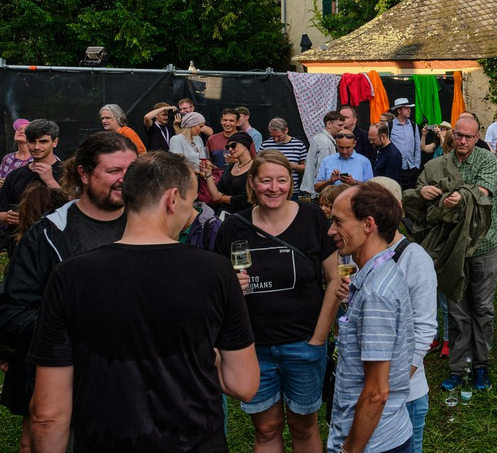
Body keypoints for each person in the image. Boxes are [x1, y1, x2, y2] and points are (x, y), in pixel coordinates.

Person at [28, 151, 259, 452]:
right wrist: (206, 351)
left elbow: (47, 414)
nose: (189, 215)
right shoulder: (216, 272)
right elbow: (244, 384)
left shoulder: (69, 275)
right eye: (190, 205)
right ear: (172, 199)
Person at [0, 131, 137, 452]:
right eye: (114, 171)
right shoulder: (48, 235)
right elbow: (9, 313)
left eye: (130, 172)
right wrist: (75, 322)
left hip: (136, 385)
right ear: (85, 174)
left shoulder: (148, 226)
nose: (124, 181)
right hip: (68, 385)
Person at [215, 150, 339, 453]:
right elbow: (215, 291)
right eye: (266, 180)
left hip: (303, 343)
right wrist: (232, 286)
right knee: (266, 428)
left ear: (291, 183)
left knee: (304, 426)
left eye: (282, 180)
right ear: (252, 184)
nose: (274, 188)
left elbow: (335, 279)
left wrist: (319, 338)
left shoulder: (311, 218)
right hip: (253, 347)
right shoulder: (233, 227)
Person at [336, 177, 438, 453]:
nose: (332, 230)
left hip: (401, 395)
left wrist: (391, 386)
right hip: (368, 391)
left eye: (339, 221)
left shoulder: (413, 258)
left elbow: (425, 329)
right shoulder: (354, 253)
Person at [327, 183, 415, 453]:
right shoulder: (378, 273)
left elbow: (377, 392)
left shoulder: (377, 293)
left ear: (368, 224)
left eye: (338, 221)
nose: (331, 231)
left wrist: (348, 450)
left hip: (373, 443)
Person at [419, 116, 497, 392]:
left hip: (482, 245)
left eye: (469, 136)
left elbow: (483, 190)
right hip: (451, 246)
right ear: (453, 135)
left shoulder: (487, 159)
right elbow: (422, 186)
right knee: (456, 309)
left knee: (482, 308)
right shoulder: (441, 162)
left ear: (477, 138)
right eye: (459, 135)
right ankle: (459, 366)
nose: (463, 141)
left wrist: (459, 195)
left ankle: (481, 365)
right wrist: (424, 190)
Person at [0, 119, 64, 230]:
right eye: (32, 141)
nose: (36, 147)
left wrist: (50, 181)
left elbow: (74, 211)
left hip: (56, 240)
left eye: (43, 141)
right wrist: (8, 217)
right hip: (21, 241)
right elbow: (2, 211)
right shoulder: (15, 175)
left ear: (55, 142)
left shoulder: (67, 173)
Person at [202, 131, 255, 214]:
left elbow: (247, 198)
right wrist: (208, 173)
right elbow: (215, 196)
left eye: (233, 145)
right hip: (226, 214)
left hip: (246, 216)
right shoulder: (230, 167)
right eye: (228, 147)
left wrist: (223, 198)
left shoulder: (255, 168)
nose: (230, 149)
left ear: (245, 146)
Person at [301, 111, 346, 199]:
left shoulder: (319, 138)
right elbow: (323, 171)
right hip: (320, 193)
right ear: (329, 124)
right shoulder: (326, 144)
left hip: (312, 190)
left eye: (343, 125)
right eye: (340, 125)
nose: (342, 128)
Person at [260, 117, 307, 193]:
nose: (276, 139)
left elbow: (305, 168)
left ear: (286, 130)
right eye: (273, 136)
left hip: (291, 190)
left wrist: (290, 165)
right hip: (269, 189)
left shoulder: (299, 145)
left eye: (278, 136)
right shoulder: (265, 145)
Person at [388, 98, 421, 190]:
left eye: (409, 108)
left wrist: (417, 165)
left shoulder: (414, 125)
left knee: (410, 194)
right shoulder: (389, 126)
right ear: (399, 110)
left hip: (411, 167)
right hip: (396, 167)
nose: (409, 110)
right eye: (406, 108)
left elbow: (417, 146)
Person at [0, 119, 31, 189]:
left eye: (25, 130)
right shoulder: (8, 158)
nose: (21, 131)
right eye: (19, 129)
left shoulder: (40, 157)